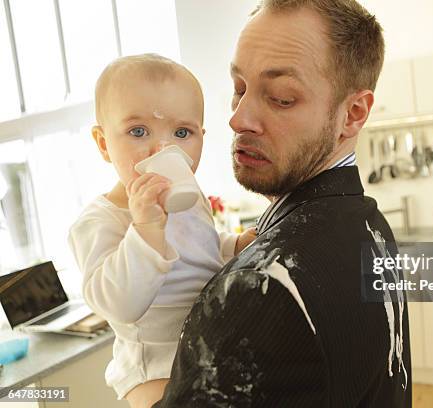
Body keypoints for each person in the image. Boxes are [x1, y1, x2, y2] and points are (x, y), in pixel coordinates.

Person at [154, 0, 411, 406]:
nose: (238, 118)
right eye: (239, 88)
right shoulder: (370, 224)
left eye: (280, 98)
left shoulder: (258, 287)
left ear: (353, 113)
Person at [68, 54, 257, 408]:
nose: (162, 149)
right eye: (138, 131)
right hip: (155, 368)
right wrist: (145, 229)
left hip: (209, 344)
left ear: (202, 138)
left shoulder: (190, 197)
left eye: (182, 133)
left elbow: (201, 247)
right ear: (104, 144)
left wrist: (233, 246)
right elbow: (120, 305)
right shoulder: (100, 222)